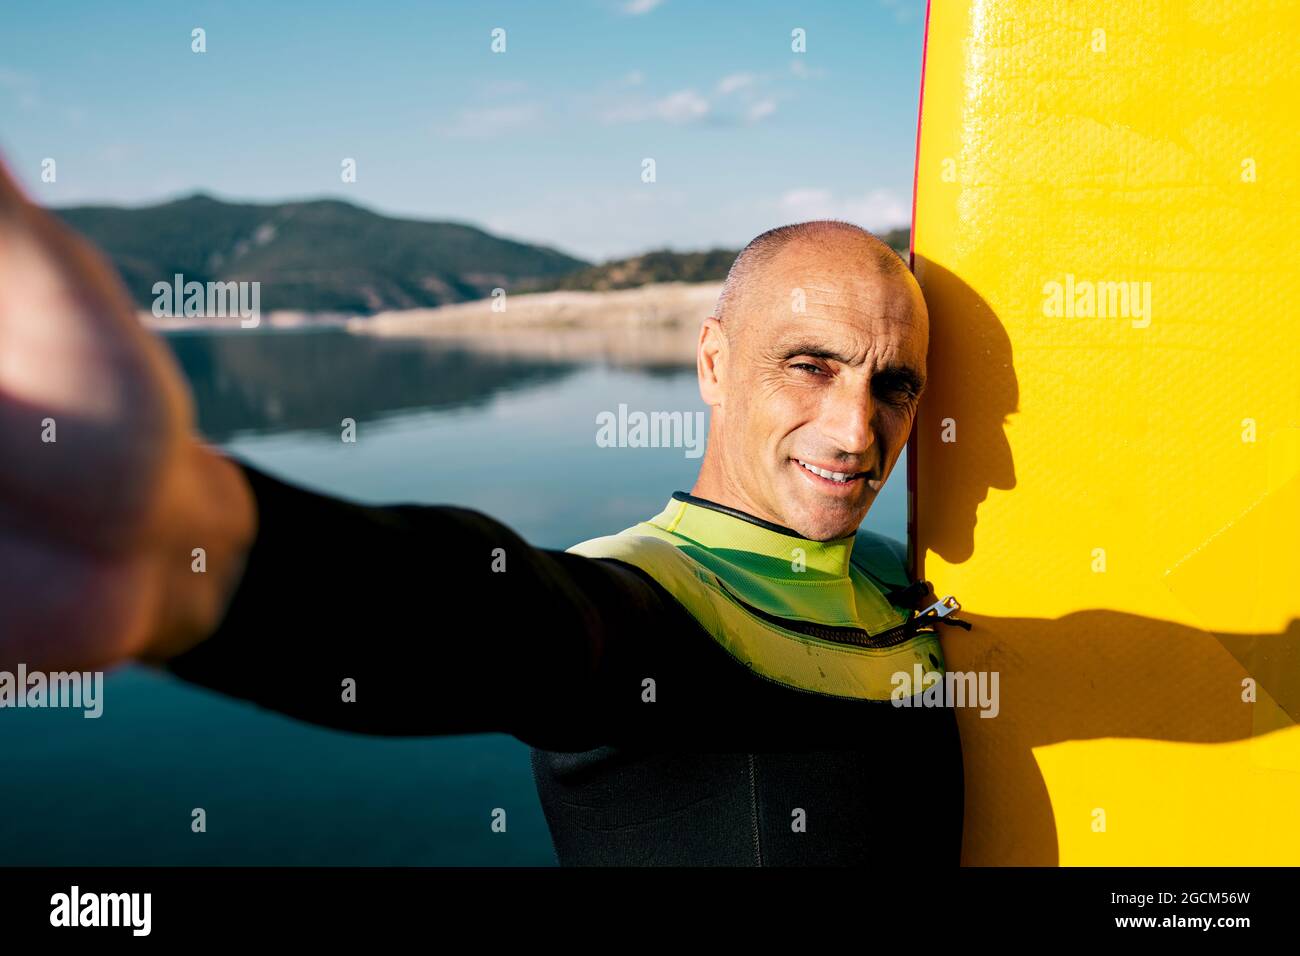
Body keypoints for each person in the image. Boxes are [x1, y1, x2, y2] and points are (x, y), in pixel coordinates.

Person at [0, 162, 966, 865]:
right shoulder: (654, 605)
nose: (854, 430)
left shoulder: (891, 571)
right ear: (713, 361)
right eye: (811, 365)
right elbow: (490, 618)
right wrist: (180, 541)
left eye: (895, 386)